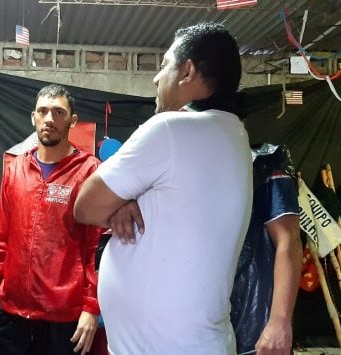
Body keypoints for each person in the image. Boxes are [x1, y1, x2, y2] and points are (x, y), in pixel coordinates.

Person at [74, 23, 252, 354]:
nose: (157, 78)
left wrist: (117, 200)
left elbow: (85, 206)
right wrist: (124, 199)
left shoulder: (170, 129)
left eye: (165, 64)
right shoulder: (234, 135)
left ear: (187, 71)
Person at [0, 84, 102, 355]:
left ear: (72, 120)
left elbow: (95, 247)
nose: (49, 119)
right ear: (33, 117)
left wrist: (91, 307)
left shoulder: (90, 172)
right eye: (43, 111)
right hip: (12, 311)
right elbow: (1, 237)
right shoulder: (16, 168)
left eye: (58, 112)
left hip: (64, 316)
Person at [230, 143, 301, 355]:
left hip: (253, 323)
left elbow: (287, 240)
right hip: (202, 324)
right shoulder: (182, 168)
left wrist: (279, 321)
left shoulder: (261, 164)